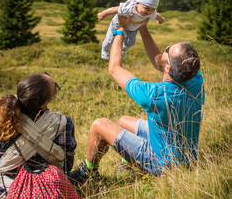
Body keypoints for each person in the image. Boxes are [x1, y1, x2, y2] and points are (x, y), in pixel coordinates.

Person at [68, 15, 205, 184]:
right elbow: (160, 62)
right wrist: (142, 27)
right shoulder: (195, 78)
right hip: (186, 156)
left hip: (161, 163)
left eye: (167, 49)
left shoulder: (154, 96)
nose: (164, 49)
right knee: (124, 121)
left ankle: (87, 172)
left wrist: (121, 30)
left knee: (99, 125)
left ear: (168, 68)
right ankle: (129, 165)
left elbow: (114, 68)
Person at [0, 72, 78, 199]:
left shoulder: (5, 118)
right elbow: (66, 165)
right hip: (50, 190)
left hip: (7, 193)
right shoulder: (63, 123)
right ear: (44, 103)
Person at [98, 0, 165, 60]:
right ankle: (105, 50)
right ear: (137, 3)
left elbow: (157, 16)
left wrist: (161, 20)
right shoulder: (129, 7)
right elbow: (115, 9)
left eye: (153, 9)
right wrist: (102, 14)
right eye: (146, 8)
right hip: (118, 24)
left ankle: (122, 49)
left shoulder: (151, 12)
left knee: (130, 43)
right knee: (109, 40)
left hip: (134, 28)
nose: (149, 11)